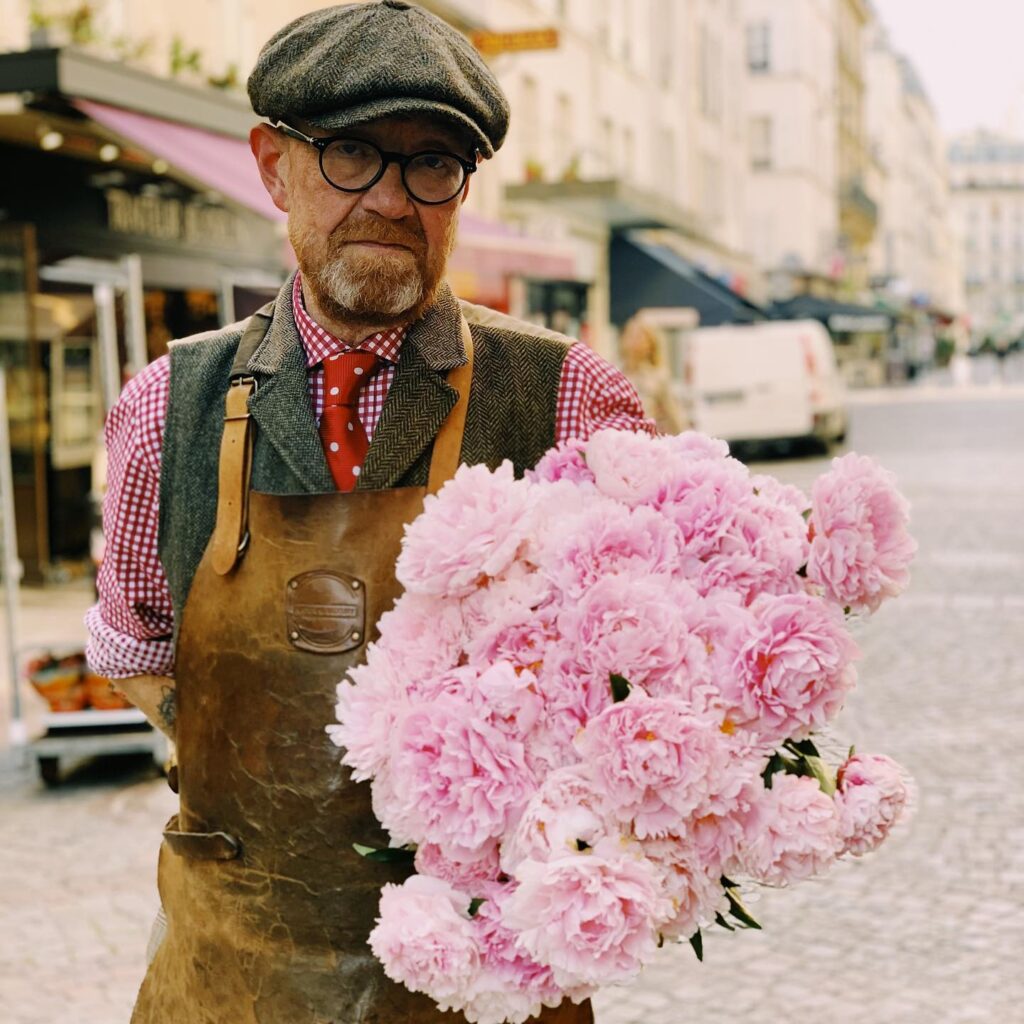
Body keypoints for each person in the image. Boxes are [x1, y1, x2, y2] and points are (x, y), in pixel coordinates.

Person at [84, 3, 653, 1022]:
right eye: (352, 154)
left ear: (462, 190)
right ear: (272, 164)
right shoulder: (165, 406)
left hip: (484, 984)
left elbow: (641, 681)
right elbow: (136, 650)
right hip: (235, 972)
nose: (391, 198)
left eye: (431, 164)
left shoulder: (571, 399)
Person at [619, 315, 687, 434]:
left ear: (650, 344)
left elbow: (674, 415)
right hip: (618, 440)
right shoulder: (615, 372)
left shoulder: (658, 376)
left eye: (639, 336)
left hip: (645, 441)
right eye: (630, 334)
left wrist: (685, 440)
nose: (633, 339)